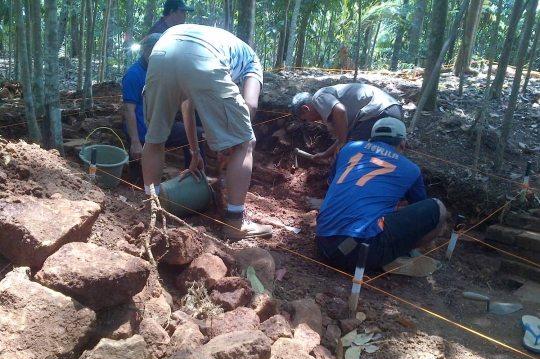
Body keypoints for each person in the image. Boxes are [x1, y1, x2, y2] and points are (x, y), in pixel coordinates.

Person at [142, 24, 273, 240]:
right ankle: (236, 221)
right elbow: (251, 106)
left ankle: (151, 209)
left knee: (155, 137)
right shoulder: (252, 61)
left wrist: (196, 154)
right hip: (201, 54)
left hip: (162, 50)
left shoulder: (223, 44)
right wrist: (232, 145)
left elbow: (187, 107)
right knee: (246, 143)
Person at [315, 117, 447, 275]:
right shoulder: (411, 169)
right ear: (403, 143)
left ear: (371, 138)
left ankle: (385, 252)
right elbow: (420, 213)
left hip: (323, 240)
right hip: (357, 253)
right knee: (438, 208)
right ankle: (395, 254)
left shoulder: (350, 147)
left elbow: (336, 185)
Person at [122, 33, 205, 185]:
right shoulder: (133, 75)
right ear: (147, 51)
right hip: (142, 133)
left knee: (195, 134)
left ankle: (196, 180)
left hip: (162, 125)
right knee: (139, 183)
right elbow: (129, 110)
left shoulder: (164, 69)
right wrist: (135, 142)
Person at [290, 83, 403, 161]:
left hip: (377, 111)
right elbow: (343, 137)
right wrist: (325, 154)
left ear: (305, 108)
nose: (310, 122)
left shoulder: (319, 97)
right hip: (392, 109)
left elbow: (340, 110)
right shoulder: (330, 109)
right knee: (380, 158)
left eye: (305, 118)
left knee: (348, 154)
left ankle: (336, 195)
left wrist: (343, 142)